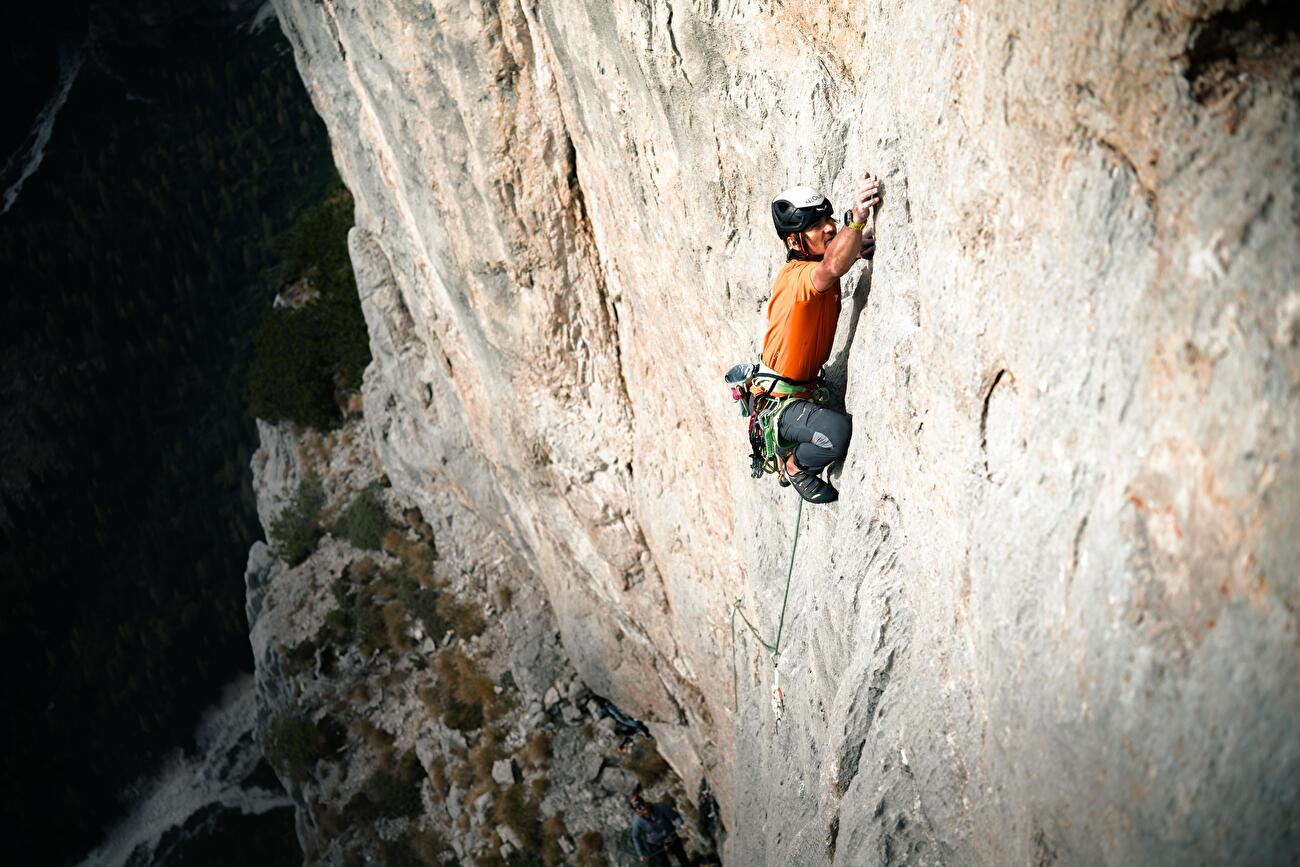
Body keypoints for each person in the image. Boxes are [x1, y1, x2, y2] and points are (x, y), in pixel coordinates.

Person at [760, 172, 881, 504]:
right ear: (795, 241)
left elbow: (832, 266)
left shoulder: (814, 271)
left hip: (803, 391)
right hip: (782, 405)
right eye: (816, 225)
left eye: (829, 219)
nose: (828, 227)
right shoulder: (796, 278)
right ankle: (795, 467)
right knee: (836, 432)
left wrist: (853, 249)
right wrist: (855, 222)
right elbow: (829, 269)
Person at [630, 795, 690, 866]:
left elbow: (675, 816)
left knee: (682, 857)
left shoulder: (660, 807)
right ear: (636, 811)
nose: (643, 808)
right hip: (655, 844)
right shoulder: (638, 821)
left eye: (642, 804)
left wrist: (680, 824)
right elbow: (635, 837)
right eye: (639, 808)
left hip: (670, 836)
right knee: (663, 864)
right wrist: (640, 853)